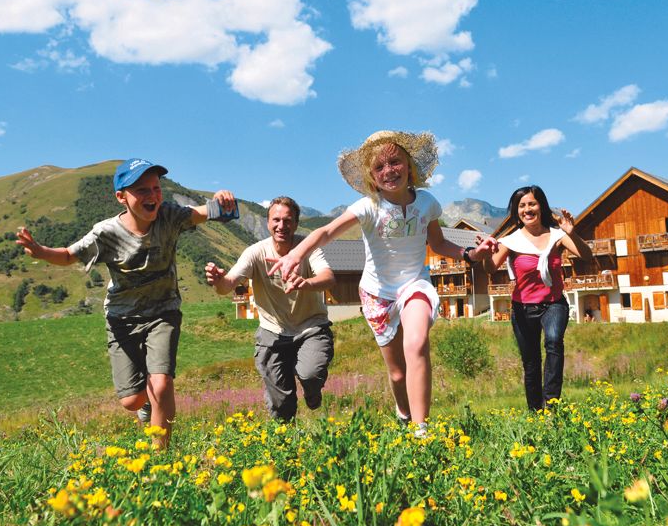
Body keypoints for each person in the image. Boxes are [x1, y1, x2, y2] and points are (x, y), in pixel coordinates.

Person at [268, 130, 495, 436]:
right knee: (398, 373)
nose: (389, 170)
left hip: (415, 284)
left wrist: (471, 253)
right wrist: (295, 253)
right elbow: (326, 232)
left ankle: (421, 430)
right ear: (371, 177)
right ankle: (403, 412)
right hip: (377, 294)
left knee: (416, 344)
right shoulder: (368, 206)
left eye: (395, 161)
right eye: (379, 167)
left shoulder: (427, 203)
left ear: (409, 165)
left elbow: (439, 244)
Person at [16, 158, 236, 449]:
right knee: (132, 400)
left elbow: (203, 212)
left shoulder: (170, 216)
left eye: (156, 188)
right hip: (122, 318)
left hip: (163, 312)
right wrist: (41, 251)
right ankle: (145, 408)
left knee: (162, 384)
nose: (152, 196)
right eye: (142, 190)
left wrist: (221, 200)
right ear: (122, 197)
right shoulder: (106, 233)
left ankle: (161, 458)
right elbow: (70, 255)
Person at [204, 196, 336, 421]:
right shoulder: (255, 252)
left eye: (287, 220)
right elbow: (228, 285)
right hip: (272, 331)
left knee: (310, 374)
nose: (281, 226)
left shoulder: (307, 247)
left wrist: (307, 283)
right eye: (276, 220)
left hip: (311, 327)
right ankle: (285, 445)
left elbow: (328, 277)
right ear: (267, 223)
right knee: (281, 404)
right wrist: (218, 280)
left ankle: (313, 393)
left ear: (295, 223)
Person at [481, 185, 592, 411]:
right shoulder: (511, 241)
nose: (527, 209)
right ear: (516, 211)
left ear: (541, 206)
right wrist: (484, 253)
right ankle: (535, 412)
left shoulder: (557, 236)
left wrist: (572, 232)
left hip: (553, 304)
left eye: (532, 203)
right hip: (523, 309)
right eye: (522, 206)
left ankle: (551, 407)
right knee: (531, 363)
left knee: (553, 342)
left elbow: (586, 255)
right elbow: (491, 268)